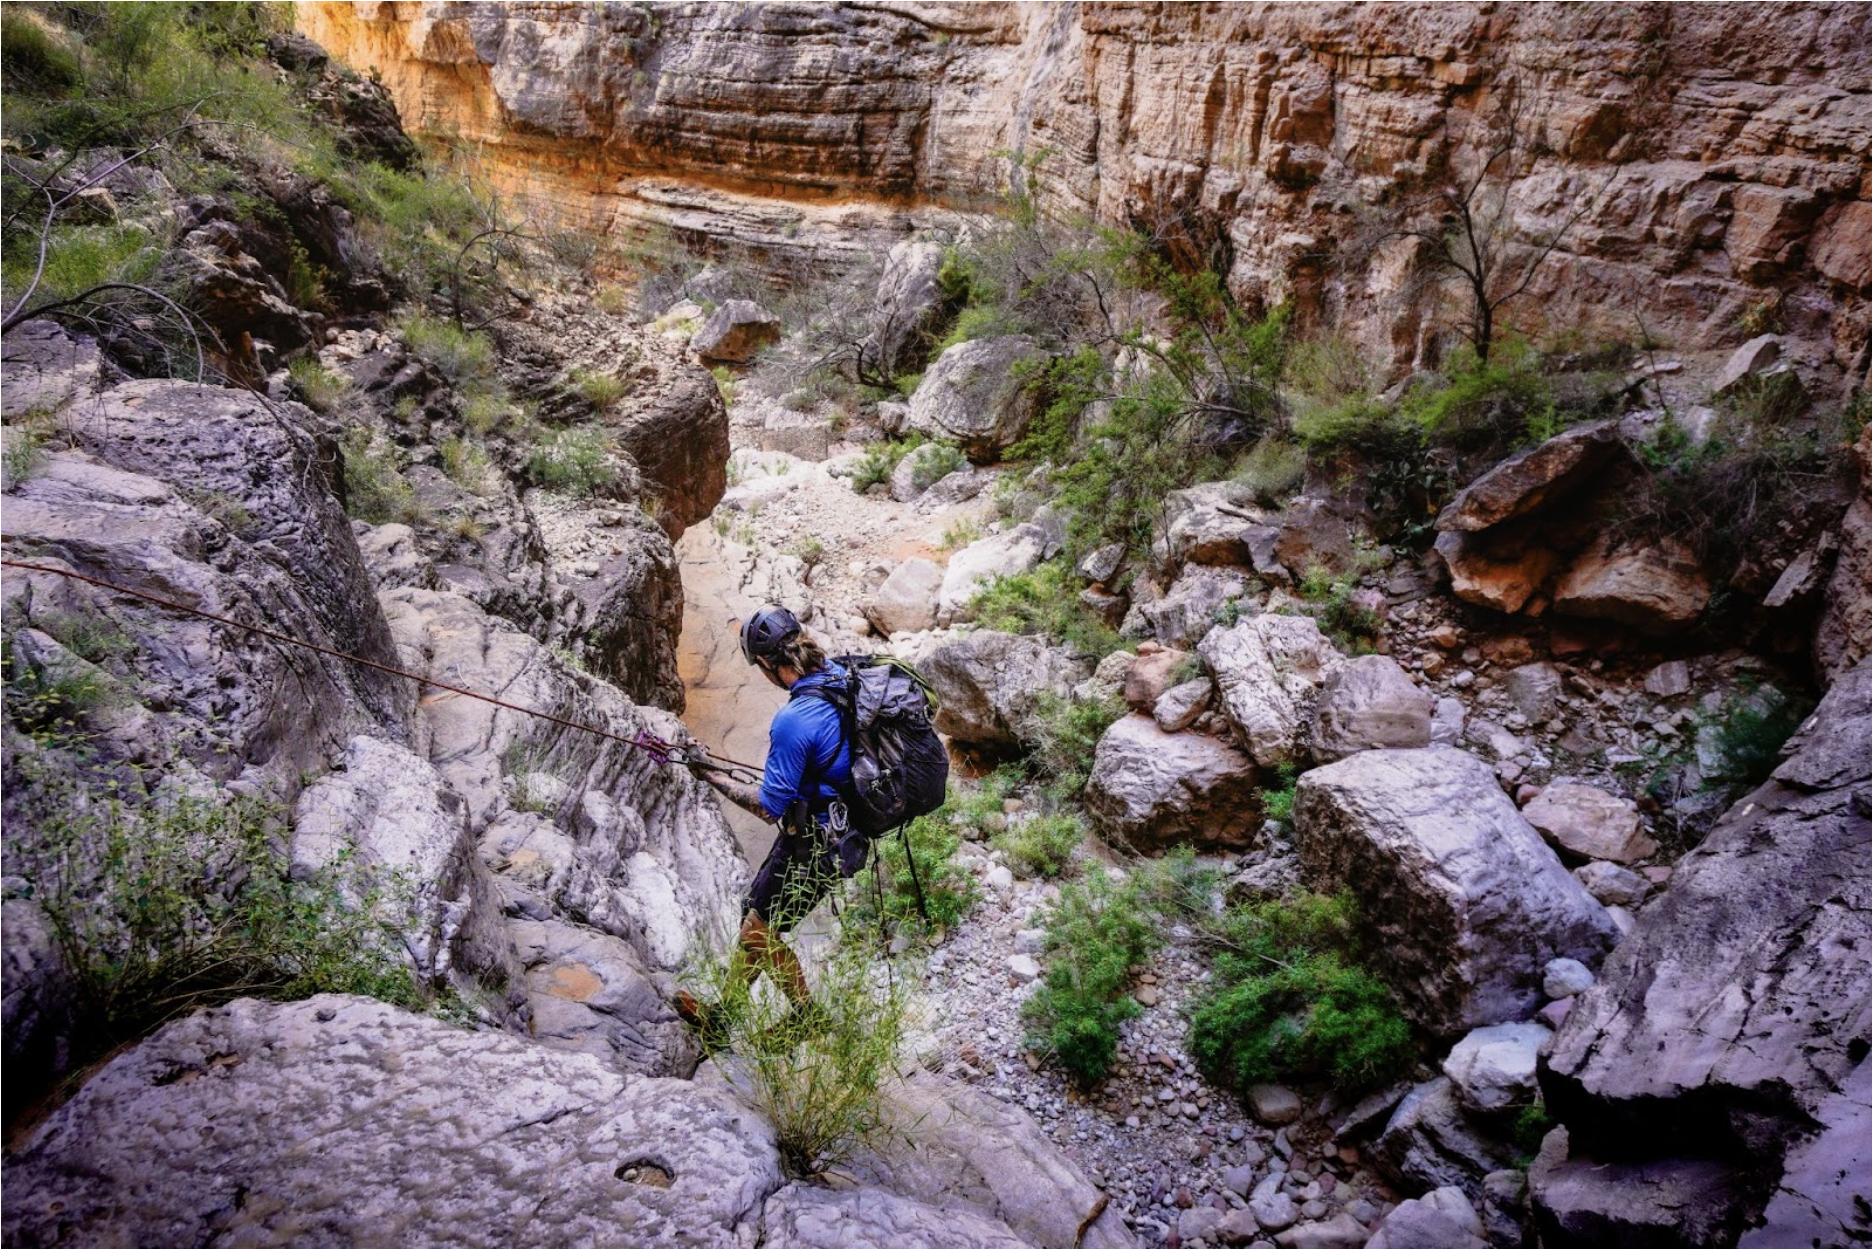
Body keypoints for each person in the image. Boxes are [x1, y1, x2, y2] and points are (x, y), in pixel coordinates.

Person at [676, 604, 850, 1040]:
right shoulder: (840, 676)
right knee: (756, 919)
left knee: (758, 932)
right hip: (837, 829)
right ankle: (726, 1014)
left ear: (772, 666)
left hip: (816, 843)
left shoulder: (794, 719)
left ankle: (807, 1017)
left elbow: (768, 807)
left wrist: (707, 772)